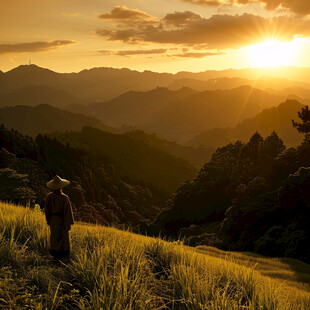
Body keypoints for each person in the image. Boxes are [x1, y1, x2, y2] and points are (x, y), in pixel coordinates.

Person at [44, 175, 74, 262]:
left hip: (53, 220)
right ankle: (63, 256)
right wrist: (68, 223)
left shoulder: (49, 197)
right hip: (62, 220)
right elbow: (68, 211)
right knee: (63, 237)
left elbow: (47, 210)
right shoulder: (64, 198)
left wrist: (48, 220)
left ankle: (55, 255)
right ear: (61, 187)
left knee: (54, 237)